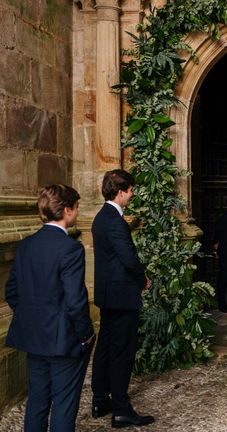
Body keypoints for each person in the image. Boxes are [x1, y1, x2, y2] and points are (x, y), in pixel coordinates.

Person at [5, 185, 94, 431]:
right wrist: (86, 334)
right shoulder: (70, 248)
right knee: (64, 404)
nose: (77, 212)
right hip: (63, 339)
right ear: (67, 210)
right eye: (76, 207)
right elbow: (76, 301)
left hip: (33, 336)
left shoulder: (26, 245)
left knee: (37, 399)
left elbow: (12, 291)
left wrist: (33, 317)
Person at [91, 169, 154, 428]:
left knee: (105, 347)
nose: (132, 194)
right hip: (121, 296)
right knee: (122, 352)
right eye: (130, 190)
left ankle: (99, 398)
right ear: (120, 192)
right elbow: (128, 257)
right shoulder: (114, 220)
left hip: (109, 295)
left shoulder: (100, 217)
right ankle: (120, 408)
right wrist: (143, 280)